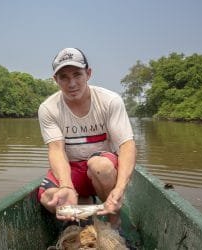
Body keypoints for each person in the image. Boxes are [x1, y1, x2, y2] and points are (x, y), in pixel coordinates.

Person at [37, 48, 136, 228]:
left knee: (100, 166)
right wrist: (66, 186)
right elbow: (56, 150)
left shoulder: (110, 101)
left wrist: (120, 188)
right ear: (55, 80)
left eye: (77, 75)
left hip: (102, 169)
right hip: (72, 169)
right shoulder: (48, 108)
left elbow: (127, 145)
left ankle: (115, 222)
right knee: (48, 199)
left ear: (88, 74)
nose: (72, 83)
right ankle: (86, 207)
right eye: (64, 77)